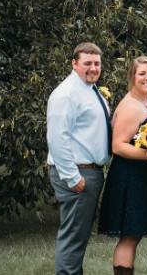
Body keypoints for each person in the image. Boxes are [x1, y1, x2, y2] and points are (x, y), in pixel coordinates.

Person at [47, 42, 111, 275]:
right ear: (74, 64)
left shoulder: (90, 90)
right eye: (87, 63)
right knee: (73, 237)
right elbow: (57, 138)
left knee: (79, 236)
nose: (93, 68)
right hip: (77, 172)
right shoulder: (66, 94)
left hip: (90, 171)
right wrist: (72, 177)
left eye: (97, 63)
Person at [98, 56, 147, 274]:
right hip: (129, 177)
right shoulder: (131, 106)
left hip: (141, 176)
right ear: (132, 77)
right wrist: (146, 155)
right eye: (142, 74)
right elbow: (117, 146)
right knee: (129, 236)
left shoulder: (145, 104)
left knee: (133, 235)